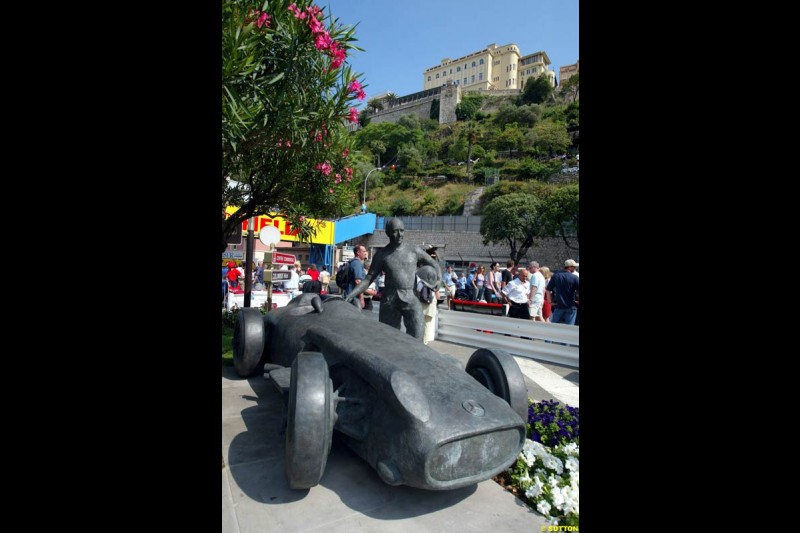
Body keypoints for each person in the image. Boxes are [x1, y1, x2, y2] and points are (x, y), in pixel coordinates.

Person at [346, 218, 441, 341]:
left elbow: (434, 264)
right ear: (388, 233)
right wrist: (351, 295)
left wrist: (438, 279)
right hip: (390, 299)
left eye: (402, 230)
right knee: (388, 339)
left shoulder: (414, 250)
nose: (400, 234)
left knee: (417, 334)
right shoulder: (381, 255)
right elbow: (368, 279)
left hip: (411, 297)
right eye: (396, 231)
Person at [547, 260, 580, 325]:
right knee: (570, 327)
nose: (575, 268)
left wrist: (550, 301)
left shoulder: (556, 276)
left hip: (558, 305)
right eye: (574, 267)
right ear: (569, 267)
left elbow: (548, 289)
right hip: (571, 305)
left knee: (554, 326)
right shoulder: (574, 277)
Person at [347, 244, 368, 309]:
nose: (365, 253)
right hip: (354, 297)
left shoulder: (353, 262)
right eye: (364, 251)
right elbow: (358, 281)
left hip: (351, 295)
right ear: (358, 253)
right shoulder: (357, 263)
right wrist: (361, 298)